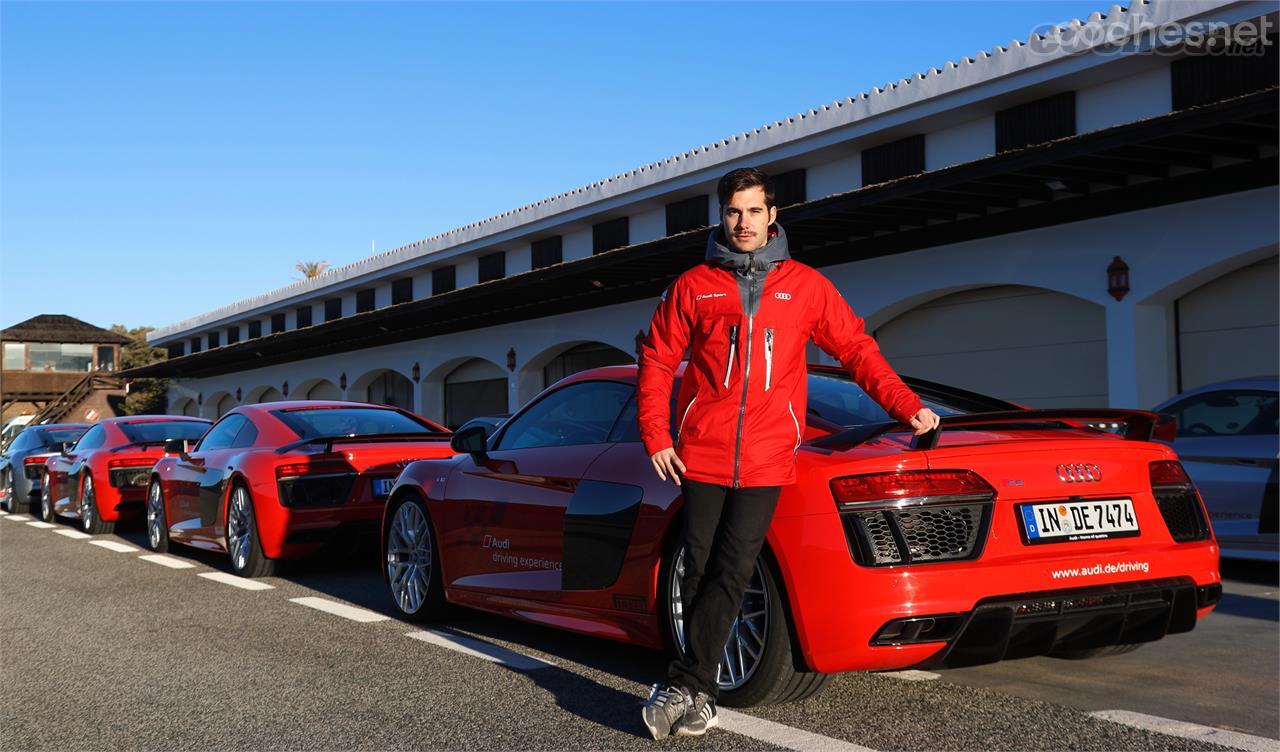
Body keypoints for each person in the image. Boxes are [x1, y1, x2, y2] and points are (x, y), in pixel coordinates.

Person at [635, 167, 940, 739]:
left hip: (769, 455)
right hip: (701, 451)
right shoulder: (694, 285)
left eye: (754, 211)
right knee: (697, 569)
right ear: (721, 216)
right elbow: (656, 360)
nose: (743, 222)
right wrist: (657, 434)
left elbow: (855, 348)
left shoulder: (805, 287)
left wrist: (905, 405)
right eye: (733, 212)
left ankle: (685, 685)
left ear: (772, 216)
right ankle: (697, 690)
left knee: (733, 567)